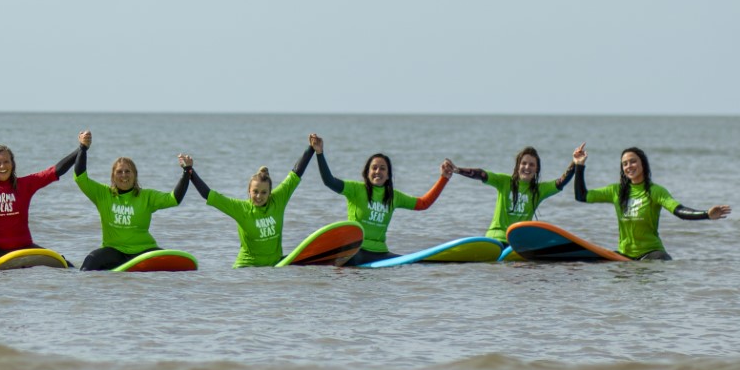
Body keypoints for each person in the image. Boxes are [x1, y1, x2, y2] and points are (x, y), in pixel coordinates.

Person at [0, 120, 80, 268]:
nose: (2, 166)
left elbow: (55, 171)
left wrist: (81, 148)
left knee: (66, 266)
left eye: (6, 162)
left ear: (12, 164)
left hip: (24, 246)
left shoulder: (25, 185)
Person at [572, 144, 731, 260]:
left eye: (633, 161)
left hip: (651, 253)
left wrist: (706, 214)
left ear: (643, 164)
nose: (629, 166)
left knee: (661, 262)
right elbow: (582, 196)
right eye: (625, 164)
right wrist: (579, 165)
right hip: (624, 255)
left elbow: (679, 211)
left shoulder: (655, 191)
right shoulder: (616, 191)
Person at [314, 135, 454, 266]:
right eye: (374, 168)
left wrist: (444, 178)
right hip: (355, 252)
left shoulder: (394, 196)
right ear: (367, 172)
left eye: (382, 169)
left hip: (381, 254)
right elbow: (329, 181)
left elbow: (424, 203)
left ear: (388, 175)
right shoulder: (355, 189)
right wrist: (319, 153)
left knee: (414, 264)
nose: (377, 171)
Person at [185, 136, 321, 267]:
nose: (259, 196)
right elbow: (207, 194)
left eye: (264, 192)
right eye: (255, 192)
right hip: (247, 268)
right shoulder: (240, 208)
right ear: (249, 191)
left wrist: (311, 148)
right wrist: (189, 170)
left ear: (270, 193)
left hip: (275, 266)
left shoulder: (278, 199)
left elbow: (296, 173)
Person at [74, 130, 192, 271]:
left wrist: (186, 172)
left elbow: (174, 199)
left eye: (128, 171)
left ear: (135, 175)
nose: (124, 175)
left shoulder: (147, 196)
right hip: (114, 252)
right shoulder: (103, 194)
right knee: (91, 260)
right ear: (113, 176)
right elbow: (80, 177)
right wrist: (83, 148)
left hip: (144, 251)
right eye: (119, 172)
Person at [450, 146, 577, 241]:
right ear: (517, 166)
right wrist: (457, 170)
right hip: (495, 239)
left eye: (532, 164)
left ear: (536, 169)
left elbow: (561, 182)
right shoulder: (504, 181)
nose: (527, 167)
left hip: (517, 242)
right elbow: (481, 174)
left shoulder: (539, 190)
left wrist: (575, 162)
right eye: (524, 163)